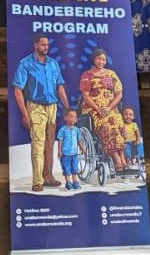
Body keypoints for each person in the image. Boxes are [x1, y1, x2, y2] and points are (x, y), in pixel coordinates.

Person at [12, 34, 70, 192]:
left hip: (52, 107)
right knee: (38, 144)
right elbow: (18, 90)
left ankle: (48, 176)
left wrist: (67, 107)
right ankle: (37, 181)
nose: (46, 47)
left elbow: (60, 86)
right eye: (43, 45)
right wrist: (24, 113)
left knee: (50, 144)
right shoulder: (25, 64)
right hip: (36, 107)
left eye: (47, 45)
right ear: (35, 45)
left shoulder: (53, 64)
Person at [79, 49, 129, 173]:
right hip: (93, 108)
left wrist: (109, 107)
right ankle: (116, 158)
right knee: (107, 124)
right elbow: (85, 96)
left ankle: (123, 158)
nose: (101, 61)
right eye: (99, 59)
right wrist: (98, 109)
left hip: (110, 107)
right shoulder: (87, 75)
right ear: (93, 59)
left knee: (118, 122)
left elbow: (119, 94)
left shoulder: (111, 74)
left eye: (104, 59)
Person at [56, 110, 85, 191]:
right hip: (65, 153)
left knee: (74, 168)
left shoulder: (76, 130)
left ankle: (75, 181)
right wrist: (59, 151)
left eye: (75, 117)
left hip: (74, 153)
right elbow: (60, 140)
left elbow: (79, 141)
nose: (73, 119)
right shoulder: (63, 130)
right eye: (71, 117)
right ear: (65, 118)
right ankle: (68, 182)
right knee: (66, 168)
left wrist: (82, 149)